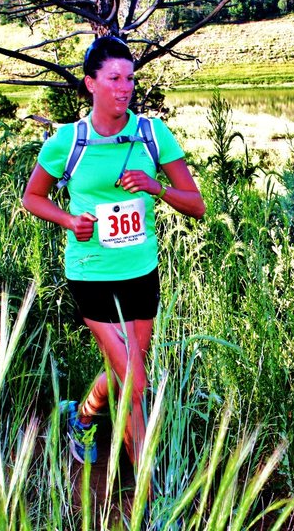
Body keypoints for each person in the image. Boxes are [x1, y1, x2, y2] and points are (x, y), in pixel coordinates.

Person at [22, 35, 205, 468]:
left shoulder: (151, 134)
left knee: (128, 374)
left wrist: (154, 186)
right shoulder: (68, 142)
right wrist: (69, 221)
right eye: (114, 78)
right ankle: (148, 493)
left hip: (141, 270)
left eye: (130, 79)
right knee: (137, 383)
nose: (125, 87)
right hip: (91, 272)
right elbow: (33, 197)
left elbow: (196, 204)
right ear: (91, 84)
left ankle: (82, 419)